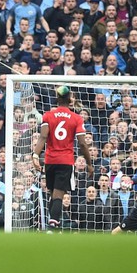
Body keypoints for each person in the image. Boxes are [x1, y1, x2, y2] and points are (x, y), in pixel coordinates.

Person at [32, 86, 93, 228]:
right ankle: (52, 226)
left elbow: (42, 137)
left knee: (53, 193)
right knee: (59, 195)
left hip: (50, 160)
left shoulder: (48, 115)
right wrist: (89, 163)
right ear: (70, 99)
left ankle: (54, 223)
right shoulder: (76, 118)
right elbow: (83, 144)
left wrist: (35, 155)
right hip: (65, 160)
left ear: (57, 99)